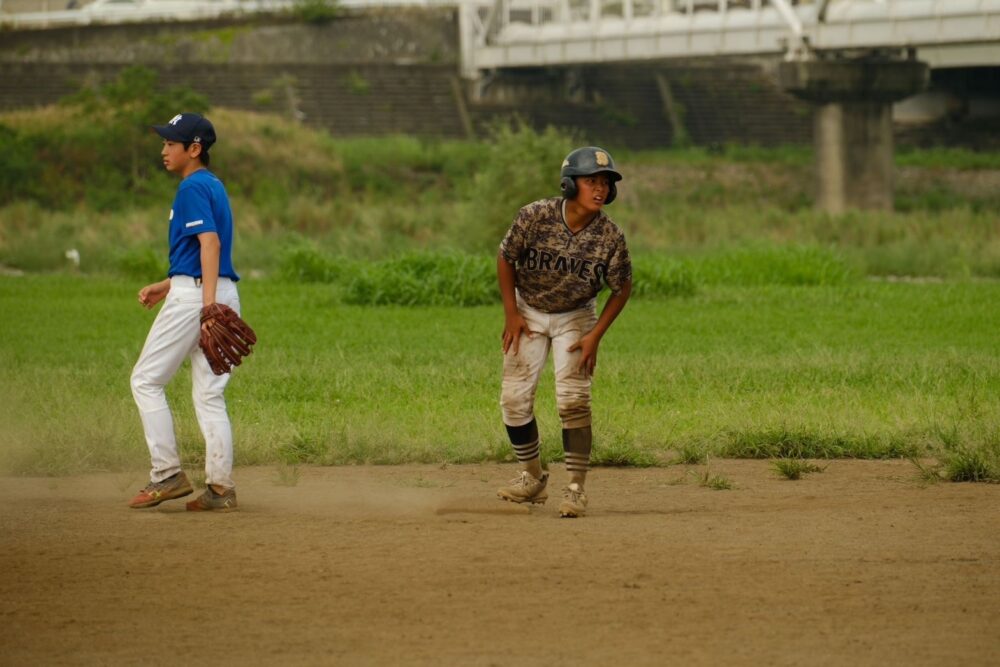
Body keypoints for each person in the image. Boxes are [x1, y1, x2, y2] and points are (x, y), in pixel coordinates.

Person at [496, 146, 633, 518]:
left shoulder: (610, 236)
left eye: (606, 183)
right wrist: (511, 313)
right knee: (513, 399)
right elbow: (506, 257)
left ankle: (575, 489)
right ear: (570, 184)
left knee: (573, 400)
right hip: (528, 309)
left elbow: (622, 288)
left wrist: (595, 335)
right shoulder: (535, 216)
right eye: (592, 181)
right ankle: (532, 477)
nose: (601, 189)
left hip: (576, 316)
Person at [128, 112, 243, 512]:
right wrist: (169, 283)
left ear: (194, 149)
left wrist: (205, 303)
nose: (163, 150)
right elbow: (202, 253)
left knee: (145, 381)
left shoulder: (191, 187)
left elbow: (209, 245)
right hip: (218, 289)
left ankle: (167, 474)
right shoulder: (214, 185)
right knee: (210, 396)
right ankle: (220, 489)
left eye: (170, 143)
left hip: (199, 297)